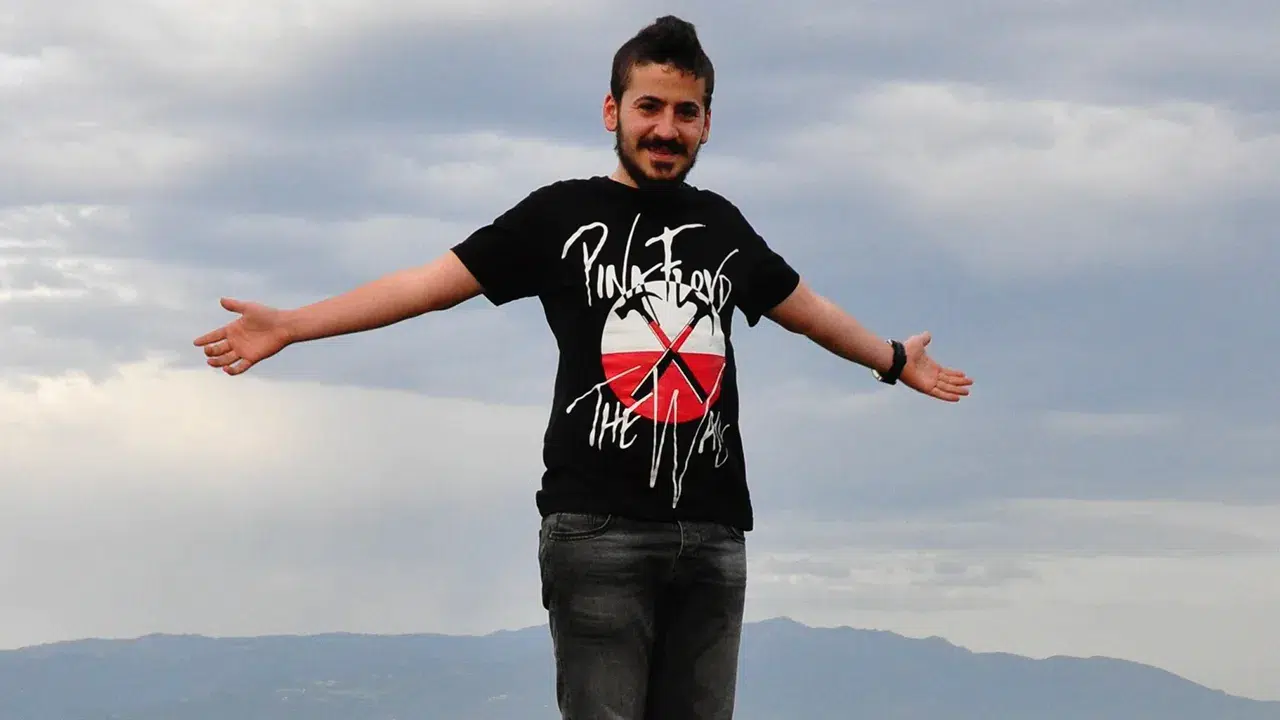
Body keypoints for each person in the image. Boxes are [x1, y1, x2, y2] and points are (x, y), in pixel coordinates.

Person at [193, 15, 972, 720]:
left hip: (712, 533)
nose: (665, 129)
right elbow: (426, 286)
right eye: (649, 107)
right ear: (613, 112)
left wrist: (892, 359)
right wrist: (291, 325)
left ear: (706, 123)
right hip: (597, 531)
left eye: (685, 112)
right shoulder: (559, 215)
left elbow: (807, 309)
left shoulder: (723, 227)